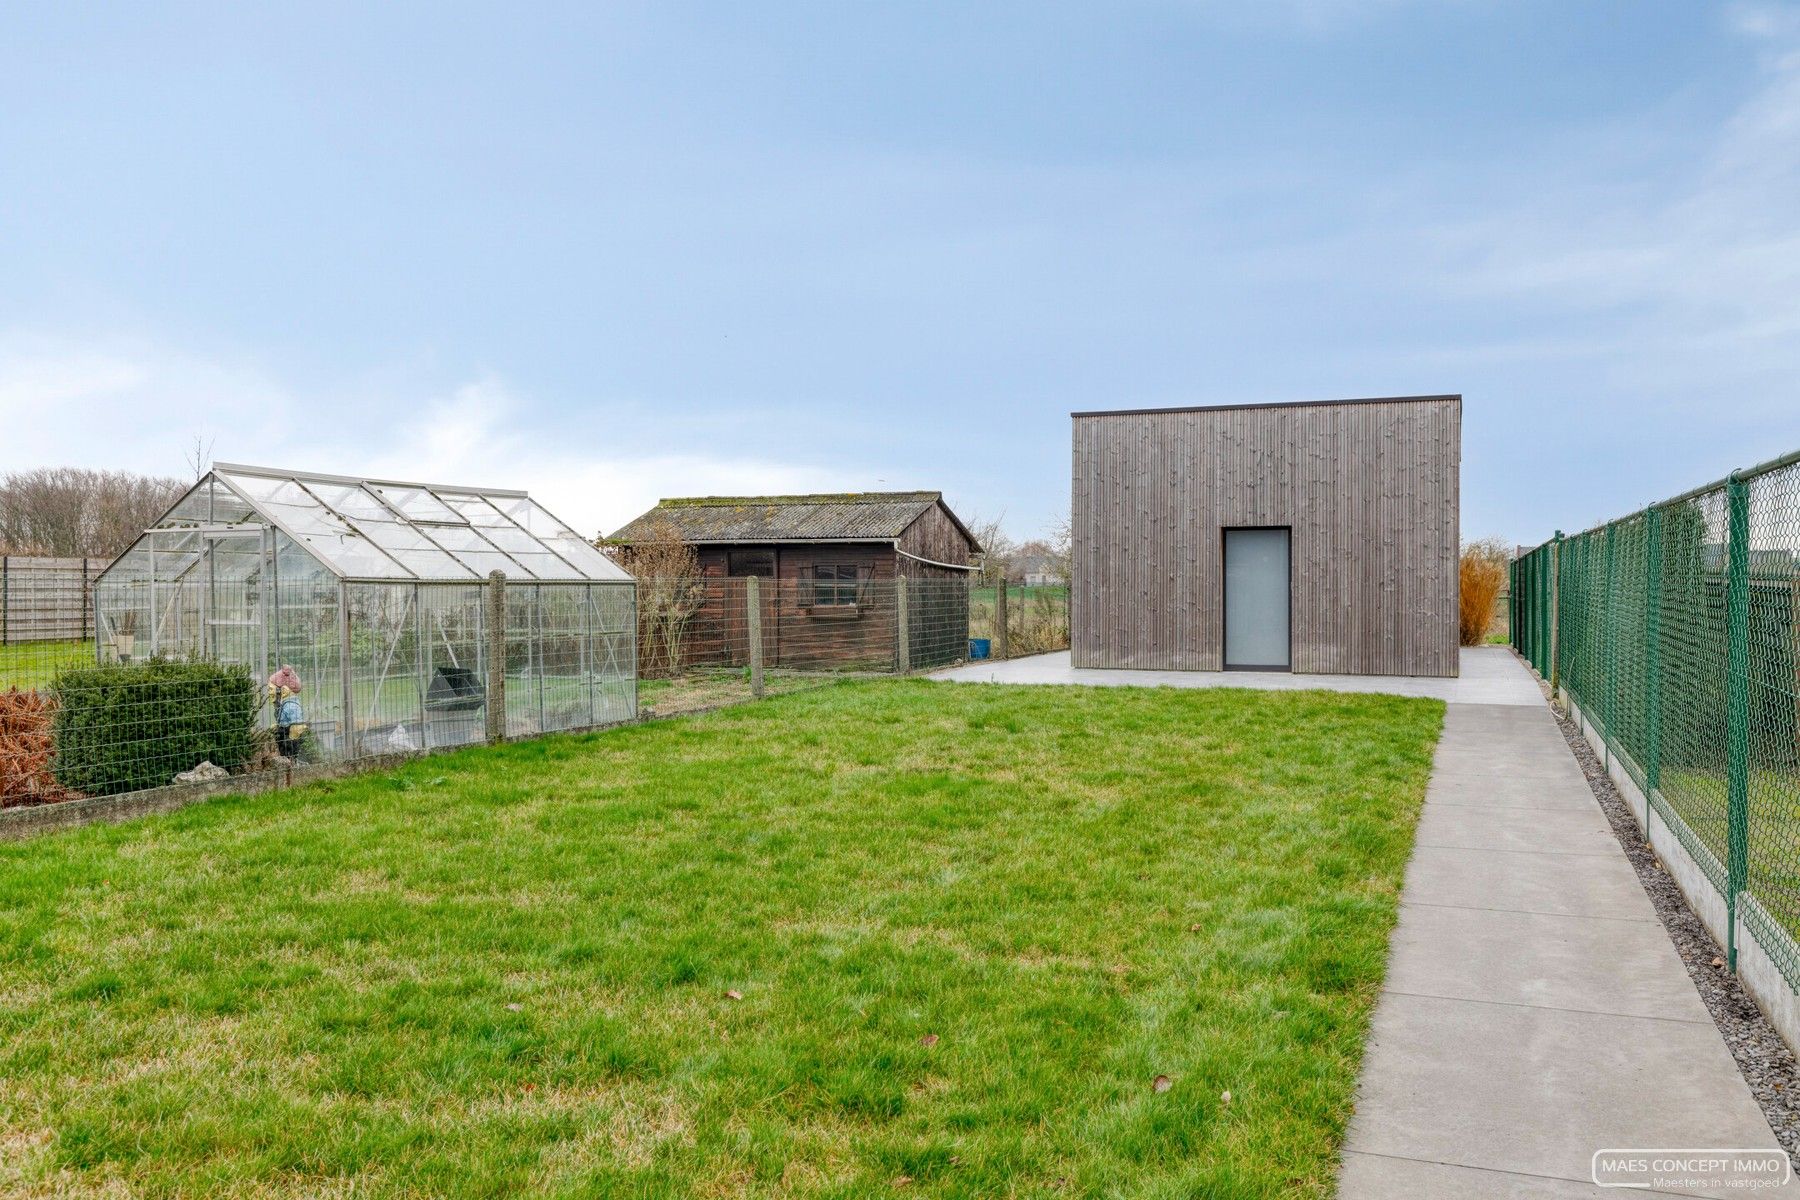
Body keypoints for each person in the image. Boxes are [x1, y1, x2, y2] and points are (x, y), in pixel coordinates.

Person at [267, 665, 308, 760]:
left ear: (284, 691)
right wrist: (279, 726)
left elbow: (297, 728)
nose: (269, 692)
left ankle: (292, 761)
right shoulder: (284, 705)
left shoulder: (291, 707)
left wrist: (289, 742)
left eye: (271, 689)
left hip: (289, 747)